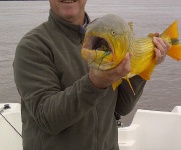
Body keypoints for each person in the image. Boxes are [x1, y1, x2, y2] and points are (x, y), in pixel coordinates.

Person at [13, 0, 170, 150]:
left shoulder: (110, 39)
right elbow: (47, 118)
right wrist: (95, 83)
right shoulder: (33, 46)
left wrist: (144, 65)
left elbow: (122, 107)